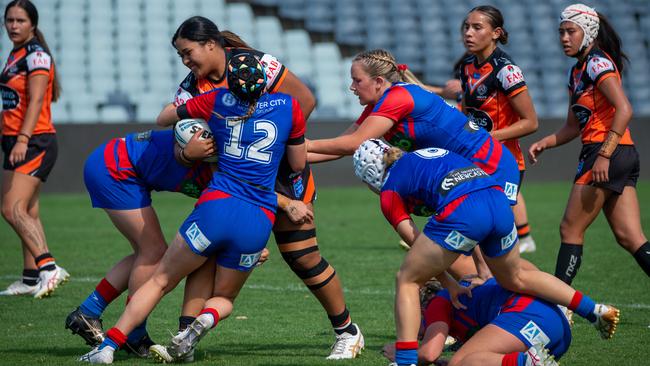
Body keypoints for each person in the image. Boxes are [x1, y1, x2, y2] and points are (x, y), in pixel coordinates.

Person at [156, 16, 363, 361]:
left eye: (188, 52)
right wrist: (186, 153)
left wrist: (271, 147)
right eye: (180, 56)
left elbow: (304, 101)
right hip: (234, 181)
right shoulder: (191, 88)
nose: (186, 61)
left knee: (302, 256)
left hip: (282, 174)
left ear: (210, 44)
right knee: (204, 256)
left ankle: (348, 332)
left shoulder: (257, 64)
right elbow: (174, 133)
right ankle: (185, 337)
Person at [79, 53, 306, 364]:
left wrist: (189, 148)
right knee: (221, 295)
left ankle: (109, 346)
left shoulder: (215, 101)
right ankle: (189, 329)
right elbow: (298, 163)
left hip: (216, 206)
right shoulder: (289, 106)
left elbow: (167, 116)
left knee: (160, 278)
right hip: (257, 219)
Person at [352, 139, 619, 366]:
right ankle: (593, 309)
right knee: (515, 277)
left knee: (407, 279)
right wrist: (474, 272)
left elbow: (415, 240)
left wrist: (449, 283)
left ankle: (406, 362)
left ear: (371, 175)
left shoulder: (389, 192)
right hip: (496, 198)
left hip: (464, 208)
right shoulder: (423, 156)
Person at [65, 128, 310, 356]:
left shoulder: (231, 170)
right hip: (115, 168)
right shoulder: (225, 161)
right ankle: (132, 334)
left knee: (155, 252)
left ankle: (89, 311)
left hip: (121, 168)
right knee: (153, 253)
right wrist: (287, 205)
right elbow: (173, 120)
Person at [529, 4, 649, 283]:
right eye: (561, 32)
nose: (564, 38)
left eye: (571, 31)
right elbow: (573, 125)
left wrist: (604, 155)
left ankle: (559, 307)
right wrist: (546, 142)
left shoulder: (597, 63)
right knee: (630, 237)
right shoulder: (577, 72)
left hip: (605, 152)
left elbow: (625, 109)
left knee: (570, 230)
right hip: (620, 152)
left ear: (589, 32)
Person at [0, 0, 69, 298]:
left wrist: (23, 139)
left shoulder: (36, 56)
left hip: (33, 140)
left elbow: (38, 100)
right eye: (9, 20)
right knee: (28, 209)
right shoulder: (16, 54)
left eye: (20, 21)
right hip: (16, 139)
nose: (14, 26)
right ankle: (31, 277)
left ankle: (49, 266)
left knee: (11, 208)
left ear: (33, 25)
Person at [459, 5, 539, 253]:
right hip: (474, 161)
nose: (468, 33)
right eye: (466, 27)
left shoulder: (507, 70)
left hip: (504, 164)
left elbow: (530, 122)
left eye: (477, 27)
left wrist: (489, 137)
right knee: (472, 234)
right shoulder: (467, 67)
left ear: (496, 33)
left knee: (494, 243)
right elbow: (466, 110)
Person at [382, 278, 570, 366]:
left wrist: (401, 352)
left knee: (460, 363)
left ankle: (527, 362)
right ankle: (528, 361)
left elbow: (430, 353)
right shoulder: (459, 297)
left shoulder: (437, 302)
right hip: (558, 330)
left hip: (529, 316)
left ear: (419, 309)